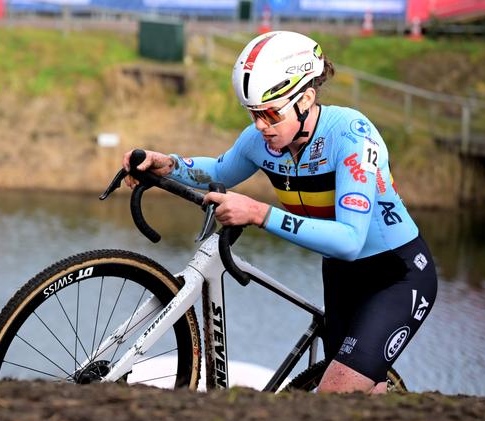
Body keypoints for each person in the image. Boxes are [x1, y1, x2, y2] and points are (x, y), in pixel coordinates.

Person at [123, 31, 437, 394]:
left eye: (271, 113)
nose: (260, 126)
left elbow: (351, 240)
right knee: (362, 397)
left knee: (335, 393)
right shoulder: (264, 140)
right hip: (340, 275)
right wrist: (166, 163)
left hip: (396, 275)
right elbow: (221, 171)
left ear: (306, 98)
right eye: (254, 114)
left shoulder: (351, 136)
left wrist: (259, 213)